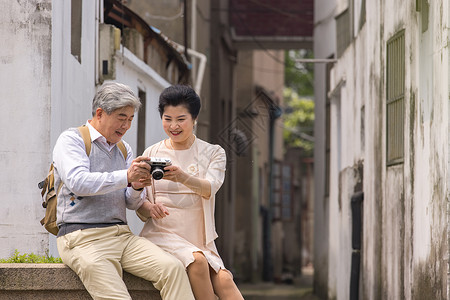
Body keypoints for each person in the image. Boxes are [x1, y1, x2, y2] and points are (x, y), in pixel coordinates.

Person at [53, 82, 195, 300]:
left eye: (130, 119)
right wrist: (126, 177)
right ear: (100, 113)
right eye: (122, 117)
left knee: (173, 269)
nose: (126, 125)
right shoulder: (72, 140)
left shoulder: (123, 148)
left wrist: (137, 186)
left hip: (122, 235)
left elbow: (130, 202)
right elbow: (78, 182)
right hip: (82, 237)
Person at [137, 85, 244, 300]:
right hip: (162, 233)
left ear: (194, 118)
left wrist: (182, 177)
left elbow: (210, 188)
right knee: (197, 262)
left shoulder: (213, 152)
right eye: (167, 119)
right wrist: (148, 204)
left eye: (181, 119)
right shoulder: (152, 153)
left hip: (199, 238)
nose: (173, 126)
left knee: (225, 281)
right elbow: (140, 208)